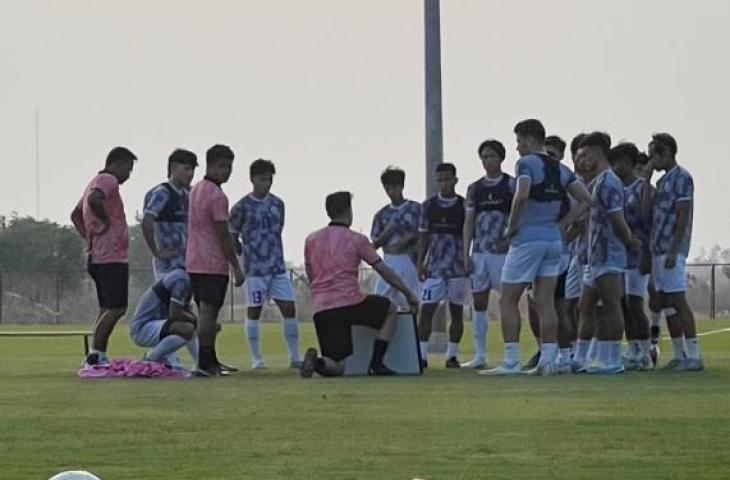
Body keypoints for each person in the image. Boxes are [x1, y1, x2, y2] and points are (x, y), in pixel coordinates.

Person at [483, 119, 591, 376]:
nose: (517, 147)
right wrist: (563, 224)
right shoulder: (562, 168)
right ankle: (549, 360)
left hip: (527, 240)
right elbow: (586, 199)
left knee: (508, 298)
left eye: (519, 141)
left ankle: (510, 361)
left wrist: (511, 226)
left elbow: (521, 194)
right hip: (554, 241)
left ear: (530, 140)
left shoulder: (526, 163)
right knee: (546, 302)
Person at [300, 192, 419, 378]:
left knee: (337, 367)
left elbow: (311, 274)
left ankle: (317, 362)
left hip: (322, 309)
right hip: (350, 303)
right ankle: (377, 363)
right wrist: (408, 293)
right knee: (390, 309)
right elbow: (383, 270)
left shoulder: (311, 240)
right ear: (349, 211)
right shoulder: (356, 239)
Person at [573, 133, 640, 374]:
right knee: (585, 305)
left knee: (611, 304)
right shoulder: (598, 181)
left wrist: (629, 240)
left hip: (609, 253)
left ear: (599, 154)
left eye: (585, 155)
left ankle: (613, 361)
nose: (581, 160)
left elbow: (617, 218)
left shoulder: (610, 181)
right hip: (594, 255)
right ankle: (580, 359)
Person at [229, 158, 301, 370]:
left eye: (269, 180)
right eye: (262, 179)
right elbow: (232, 234)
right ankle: (256, 359)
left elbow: (278, 230)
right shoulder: (241, 207)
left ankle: (295, 356)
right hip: (255, 270)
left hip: (277, 267)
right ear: (252, 179)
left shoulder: (278, 204)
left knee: (289, 308)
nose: (266, 184)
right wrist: (241, 251)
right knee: (255, 310)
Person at [70, 146, 137, 367]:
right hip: (111, 256)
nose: (129, 175)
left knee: (106, 308)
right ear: (117, 164)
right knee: (117, 308)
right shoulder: (108, 180)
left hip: (98, 254)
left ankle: (97, 355)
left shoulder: (93, 181)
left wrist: (88, 237)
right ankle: (95, 353)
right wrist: (106, 222)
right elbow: (94, 201)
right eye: (128, 168)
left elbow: (75, 214)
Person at [186, 144, 245, 377]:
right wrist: (236, 267)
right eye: (222, 166)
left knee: (205, 313)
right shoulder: (217, 195)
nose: (227, 171)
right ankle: (205, 362)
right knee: (209, 314)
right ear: (210, 165)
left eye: (230, 167)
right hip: (211, 263)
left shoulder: (196, 189)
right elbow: (223, 233)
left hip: (193, 260)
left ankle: (210, 359)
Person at [647, 133, 703, 371]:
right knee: (666, 302)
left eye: (653, 156)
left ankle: (694, 355)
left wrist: (674, 250)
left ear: (666, 152)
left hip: (671, 249)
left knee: (678, 300)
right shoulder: (661, 181)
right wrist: (645, 180)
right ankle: (680, 354)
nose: (651, 161)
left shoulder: (682, 178)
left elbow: (682, 216)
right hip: (657, 249)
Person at [462, 140, 515, 369]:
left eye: (492, 156)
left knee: (508, 301)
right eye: (484, 157)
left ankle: (510, 354)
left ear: (501, 158)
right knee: (479, 302)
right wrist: (466, 252)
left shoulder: (511, 185)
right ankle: (480, 354)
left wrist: (510, 241)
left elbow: (518, 216)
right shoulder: (475, 188)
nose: (487, 161)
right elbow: (469, 222)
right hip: (480, 253)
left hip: (503, 253)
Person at [417, 163, 469, 369]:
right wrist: (421, 262)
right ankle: (421, 356)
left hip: (457, 268)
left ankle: (452, 356)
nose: (444, 183)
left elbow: (468, 234)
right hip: (435, 268)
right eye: (440, 180)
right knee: (426, 310)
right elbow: (423, 236)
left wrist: (467, 259)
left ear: (455, 180)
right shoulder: (428, 206)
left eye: (447, 179)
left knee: (456, 312)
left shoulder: (464, 206)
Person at [610, 142, 653, 370]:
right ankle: (633, 349)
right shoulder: (616, 188)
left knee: (635, 303)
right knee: (623, 304)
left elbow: (648, 222)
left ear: (630, 163)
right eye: (613, 162)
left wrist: (647, 254)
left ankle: (646, 353)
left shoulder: (642, 187)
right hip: (619, 255)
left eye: (620, 162)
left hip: (638, 254)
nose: (616, 167)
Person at [141, 149, 198, 279]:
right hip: (168, 267)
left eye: (192, 170)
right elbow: (146, 221)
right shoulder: (163, 192)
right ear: (173, 168)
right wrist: (156, 251)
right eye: (186, 169)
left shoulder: (186, 194)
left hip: (185, 264)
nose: (190, 174)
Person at [370, 167, 421, 310]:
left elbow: (425, 235)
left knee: (411, 301)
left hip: (409, 261)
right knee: (381, 300)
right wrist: (387, 233)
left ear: (402, 186)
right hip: (389, 260)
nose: (391, 192)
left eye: (394, 187)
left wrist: (409, 239)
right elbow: (374, 244)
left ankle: (413, 331)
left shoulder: (416, 209)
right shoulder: (381, 215)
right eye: (387, 188)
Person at [129, 268, 198, 367]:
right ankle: (151, 359)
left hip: (155, 325)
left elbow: (186, 313)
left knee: (190, 327)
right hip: (141, 329)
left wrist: (199, 323)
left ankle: (200, 362)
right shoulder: (181, 279)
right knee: (187, 329)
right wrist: (197, 322)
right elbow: (175, 313)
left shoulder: (185, 278)